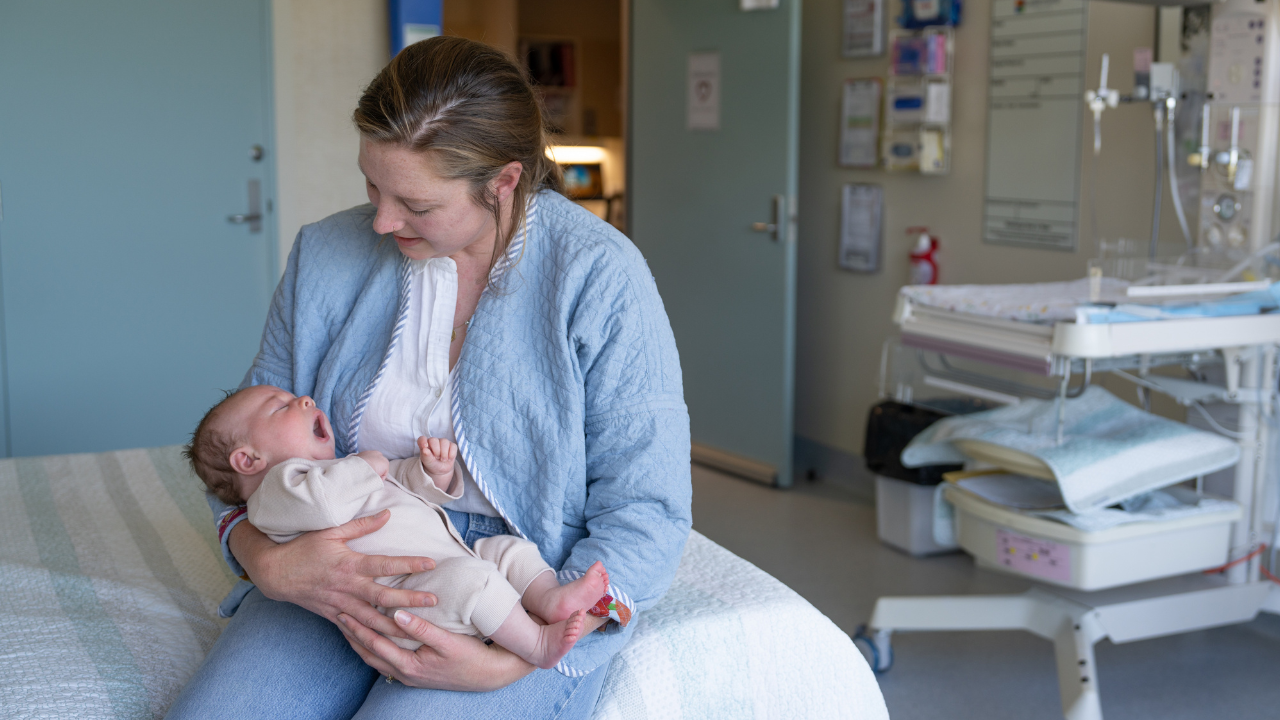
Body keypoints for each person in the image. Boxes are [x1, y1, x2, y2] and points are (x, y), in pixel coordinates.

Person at [165, 35, 691, 719]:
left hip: (524, 580)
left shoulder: (599, 277)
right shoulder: (326, 254)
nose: (381, 221)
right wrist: (265, 559)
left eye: (415, 205)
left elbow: (647, 510)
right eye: (371, 186)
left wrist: (510, 658)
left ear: (503, 182)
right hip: (348, 559)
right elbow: (241, 444)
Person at [184, 383, 610, 669]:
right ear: (248, 460)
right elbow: (329, 505)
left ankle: (549, 598)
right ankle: (536, 645)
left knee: (506, 551)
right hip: (410, 596)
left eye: (296, 396)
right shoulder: (277, 494)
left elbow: (397, 485)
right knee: (475, 582)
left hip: (444, 556)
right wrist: (368, 463)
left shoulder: (333, 471)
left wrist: (432, 475)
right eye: (281, 406)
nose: (306, 400)